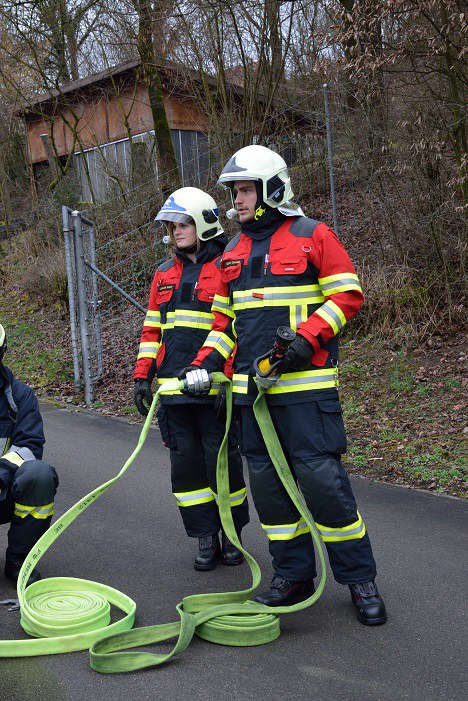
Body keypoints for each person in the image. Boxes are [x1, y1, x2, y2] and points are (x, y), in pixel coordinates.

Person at [181, 146, 387, 625]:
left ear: (274, 187)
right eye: (234, 191)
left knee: (324, 487)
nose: (239, 199)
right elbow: (223, 325)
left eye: (247, 189)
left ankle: (359, 580)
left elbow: (347, 294)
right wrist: (202, 366)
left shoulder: (312, 234)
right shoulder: (230, 252)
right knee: (271, 494)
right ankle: (292, 576)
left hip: (307, 395)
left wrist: (307, 339)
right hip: (252, 400)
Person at [133, 187, 249, 571]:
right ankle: (204, 537)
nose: (175, 230)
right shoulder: (163, 273)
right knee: (186, 471)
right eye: (171, 224)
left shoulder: (229, 266)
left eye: (182, 223)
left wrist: (226, 375)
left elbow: (235, 326)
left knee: (223, 466)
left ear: (202, 222)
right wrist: (142, 376)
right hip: (173, 390)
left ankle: (231, 536)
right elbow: (153, 330)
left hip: (215, 388)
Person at [0, 323, 59, 586]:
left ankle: (19, 560)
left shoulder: (20, 396)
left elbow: (29, 446)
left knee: (39, 475)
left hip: (4, 490)